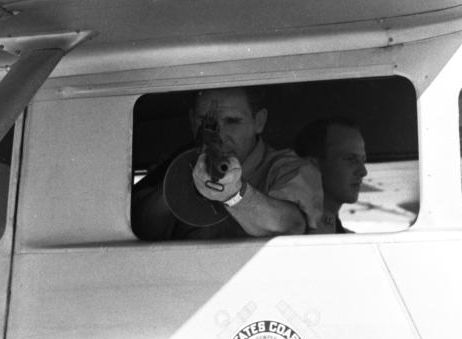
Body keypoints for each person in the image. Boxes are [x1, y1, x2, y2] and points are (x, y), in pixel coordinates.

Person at [132, 86, 324, 240]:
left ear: (259, 121)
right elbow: (140, 227)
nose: (220, 135)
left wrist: (236, 195)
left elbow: (292, 225)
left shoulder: (290, 169)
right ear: (192, 122)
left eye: (232, 121)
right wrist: (177, 184)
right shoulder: (177, 165)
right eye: (206, 123)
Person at [295, 117, 368, 233]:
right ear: (313, 166)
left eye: (363, 160)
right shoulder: (290, 234)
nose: (363, 171)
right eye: (350, 159)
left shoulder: (345, 237)